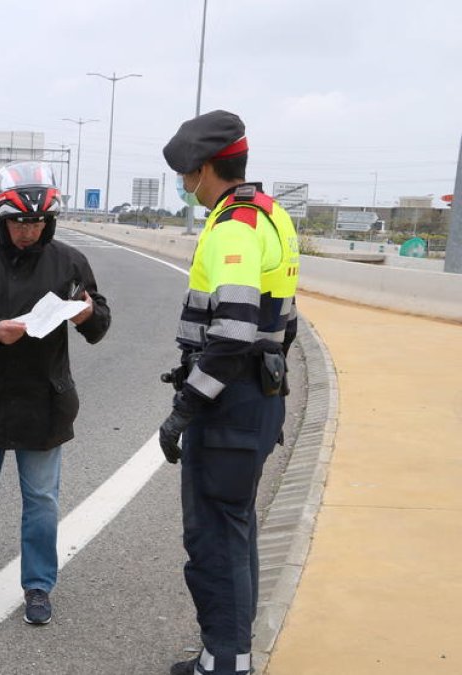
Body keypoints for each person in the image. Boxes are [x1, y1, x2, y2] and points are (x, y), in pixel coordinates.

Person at [0, 160, 111, 625]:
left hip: (44, 398)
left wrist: (85, 315)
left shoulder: (69, 261)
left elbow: (100, 322)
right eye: (18, 222)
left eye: (36, 221)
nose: (28, 231)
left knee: (42, 500)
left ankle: (38, 585)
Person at [158, 110, 300, 675]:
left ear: (203, 168)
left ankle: (224, 665)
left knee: (214, 541)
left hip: (229, 406)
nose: (183, 183)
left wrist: (185, 407)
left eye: (185, 172)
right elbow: (283, 323)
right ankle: (228, 653)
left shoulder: (232, 228)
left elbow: (234, 330)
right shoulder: (271, 216)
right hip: (261, 397)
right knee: (235, 530)